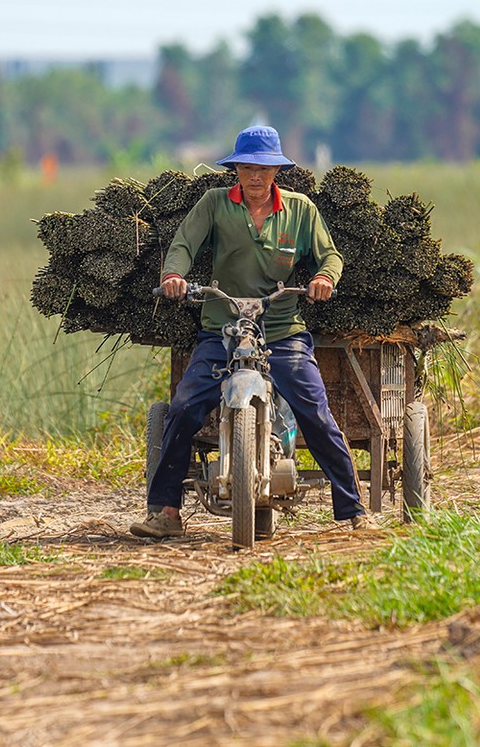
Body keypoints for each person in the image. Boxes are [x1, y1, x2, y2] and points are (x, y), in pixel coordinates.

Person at [130, 125, 370, 539]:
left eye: (263, 167)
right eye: (246, 166)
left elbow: (329, 255)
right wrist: (174, 275)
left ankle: (352, 510)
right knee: (185, 406)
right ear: (235, 169)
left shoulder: (300, 210)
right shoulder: (215, 204)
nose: (255, 176)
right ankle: (166, 511)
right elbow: (184, 245)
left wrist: (324, 279)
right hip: (222, 329)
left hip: (282, 331)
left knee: (316, 412)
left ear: (276, 170)